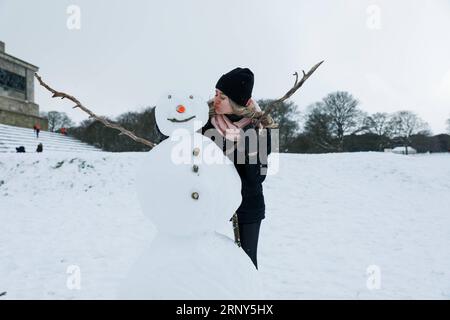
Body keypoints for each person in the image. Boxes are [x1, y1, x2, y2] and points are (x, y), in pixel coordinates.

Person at [201, 67, 277, 269]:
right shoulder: (204, 123)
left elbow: (256, 177)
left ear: (236, 102)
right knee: (203, 258)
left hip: (247, 204)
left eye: (223, 97)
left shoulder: (262, 128)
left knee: (246, 263)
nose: (216, 100)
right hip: (212, 201)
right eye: (216, 93)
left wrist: (249, 140)